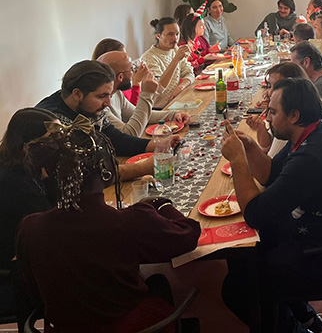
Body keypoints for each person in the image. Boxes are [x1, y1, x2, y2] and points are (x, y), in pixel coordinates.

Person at [17, 115, 200, 332]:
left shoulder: (29, 227)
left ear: (47, 174)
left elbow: (34, 292)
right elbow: (188, 235)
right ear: (106, 171)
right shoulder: (129, 220)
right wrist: (161, 204)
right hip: (130, 327)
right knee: (159, 283)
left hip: (63, 328)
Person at [220, 78, 322, 333]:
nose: (267, 117)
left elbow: (254, 214)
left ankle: (292, 327)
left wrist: (237, 161)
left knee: (237, 288)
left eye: (273, 112)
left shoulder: (312, 156)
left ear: (294, 115)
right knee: (241, 257)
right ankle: (304, 317)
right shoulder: (309, 131)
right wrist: (249, 148)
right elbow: (270, 175)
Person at [35, 60, 181, 180]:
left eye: (109, 96)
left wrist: (159, 144)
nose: (108, 103)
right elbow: (87, 174)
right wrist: (142, 168)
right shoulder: (53, 121)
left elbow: (115, 139)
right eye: (102, 96)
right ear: (77, 94)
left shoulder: (87, 106)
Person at [0, 108, 57, 321]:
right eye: (51, 141)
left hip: (28, 254)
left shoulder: (20, 165)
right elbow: (52, 221)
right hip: (17, 272)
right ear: (29, 145)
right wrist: (51, 177)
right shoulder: (15, 182)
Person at [96, 51, 191, 138]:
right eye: (132, 69)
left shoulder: (117, 93)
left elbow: (138, 113)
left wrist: (173, 115)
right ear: (120, 77)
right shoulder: (100, 105)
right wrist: (146, 94)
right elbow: (130, 134)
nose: (134, 72)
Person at [141, 17, 195, 109]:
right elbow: (158, 88)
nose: (175, 38)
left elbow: (190, 73)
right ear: (158, 36)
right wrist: (176, 60)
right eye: (170, 34)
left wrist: (181, 87)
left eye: (177, 34)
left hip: (176, 102)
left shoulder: (175, 50)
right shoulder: (149, 57)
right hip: (158, 108)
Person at [258, 62, 310, 158]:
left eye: (277, 87)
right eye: (269, 86)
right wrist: (260, 129)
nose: (270, 92)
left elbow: (270, 164)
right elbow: (266, 147)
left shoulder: (287, 123)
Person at [92, 38, 142, 105]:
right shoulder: (115, 89)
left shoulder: (118, 93)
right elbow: (137, 109)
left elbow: (135, 109)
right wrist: (137, 84)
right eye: (124, 57)